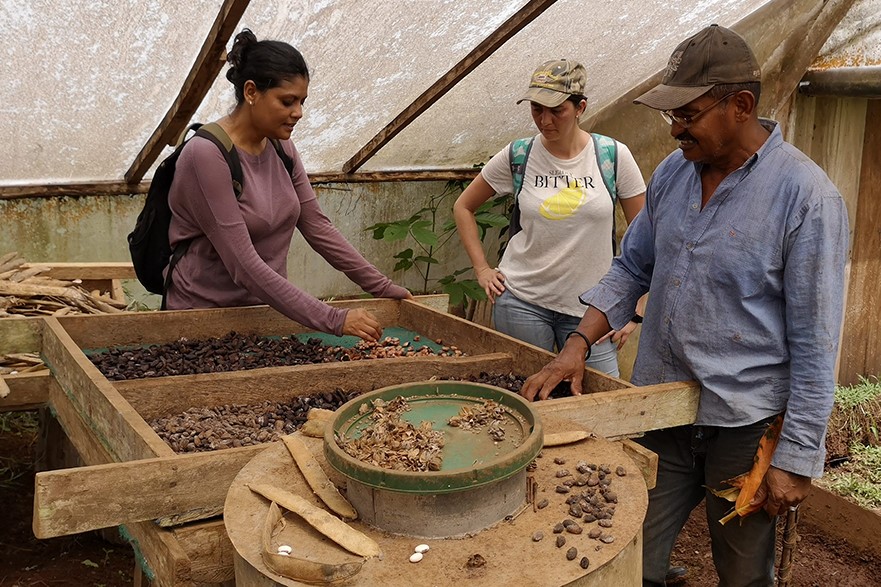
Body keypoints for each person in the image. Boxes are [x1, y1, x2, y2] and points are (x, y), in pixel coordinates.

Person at [520, 25, 848, 586]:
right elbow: (631, 266)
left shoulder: (806, 198)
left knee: (743, 571)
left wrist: (796, 457)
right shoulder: (675, 173)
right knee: (629, 551)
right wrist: (576, 345)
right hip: (666, 408)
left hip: (745, 423)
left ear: (740, 106)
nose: (675, 129)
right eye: (671, 115)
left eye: (688, 114)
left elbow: (818, 344)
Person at [166, 29, 410, 341]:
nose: (298, 113)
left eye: (302, 101)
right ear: (252, 92)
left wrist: (383, 287)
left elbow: (317, 226)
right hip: (203, 320)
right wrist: (334, 318)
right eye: (287, 101)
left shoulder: (282, 148)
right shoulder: (206, 155)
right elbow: (243, 264)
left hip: (266, 312)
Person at [453, 59, 646, 377]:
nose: (545, 120)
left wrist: (635, 308)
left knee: (598, 399)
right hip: (522, 302)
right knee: (528, 398)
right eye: (537, 109)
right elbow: (463, 206)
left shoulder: (612, 156)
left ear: (580, 107)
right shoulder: (519, 155)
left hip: (593, 311)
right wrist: (482, 269)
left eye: (557, 110)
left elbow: (644, 237)